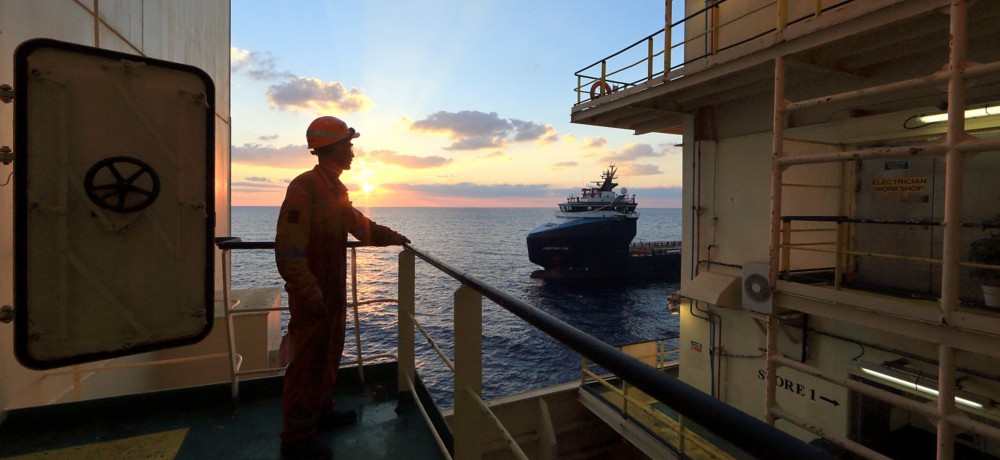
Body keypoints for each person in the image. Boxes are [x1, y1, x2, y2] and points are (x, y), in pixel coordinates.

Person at [275, 116, 409, 459]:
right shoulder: (304, 188)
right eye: (348, 145)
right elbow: (289, 250)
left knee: (329, 353)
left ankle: (321, 411)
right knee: (307, 362)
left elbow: (358, 225)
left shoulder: (333, 189)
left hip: (329, 290)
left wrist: (390, 237)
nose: (352, 152)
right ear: (331, 148)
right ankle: (296, 437)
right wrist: (308, 290)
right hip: (313, 293)